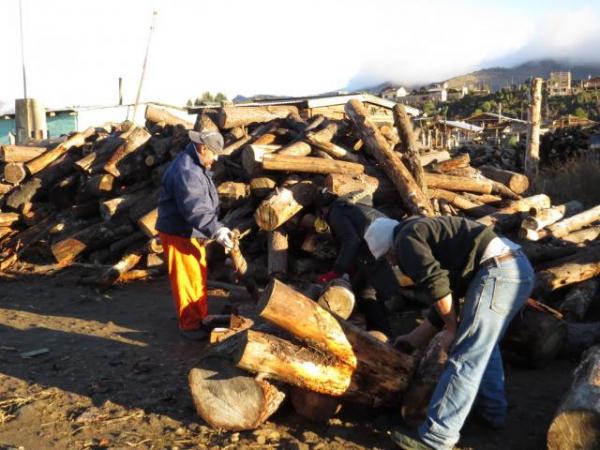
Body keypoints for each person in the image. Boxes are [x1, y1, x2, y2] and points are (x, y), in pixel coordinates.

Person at [362, 215, 534, 450]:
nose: (392, 262)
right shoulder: (423, 233)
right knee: (483, 345)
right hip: (514, 268)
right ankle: (491, 412)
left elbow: (437, 286)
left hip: (499, 271)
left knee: (465, 354)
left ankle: (437, 437)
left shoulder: (406, 239)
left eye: (387, 257)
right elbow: (444, 299)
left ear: (387, 247)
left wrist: (451, 330)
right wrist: (413, 339)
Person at [156, 129, 233, 341]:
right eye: (214, 153)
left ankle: (201, 317)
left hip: (190, 231)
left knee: (197, 275)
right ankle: (190, 325)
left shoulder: (197, 164)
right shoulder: (187, 171)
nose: (216, 158)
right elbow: (194, 207)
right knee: (187, 279)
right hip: (178, 232)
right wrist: (215, 228)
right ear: (203, 147)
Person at [316, 194, 402, 334]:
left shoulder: (336, 212)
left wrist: (337, 270)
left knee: (367, 291)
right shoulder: (349, 206)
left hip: (376, 243)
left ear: (323, 210)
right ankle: (381, 330)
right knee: (365, 287)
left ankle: (381, 334)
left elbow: (351, 240)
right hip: (382, 239)